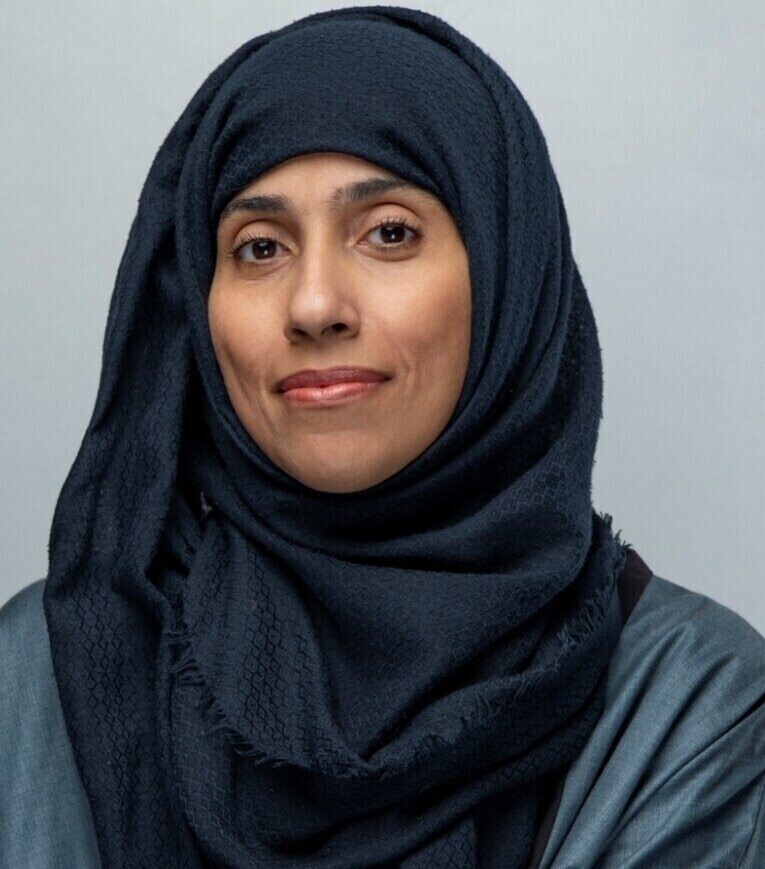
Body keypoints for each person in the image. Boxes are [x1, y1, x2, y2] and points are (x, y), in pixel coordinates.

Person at [1, 6, 763, 868]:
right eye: (259, 247)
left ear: (506, 278)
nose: (313, 304)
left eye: (389, 233)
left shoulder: (692, 706)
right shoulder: (39, 672)